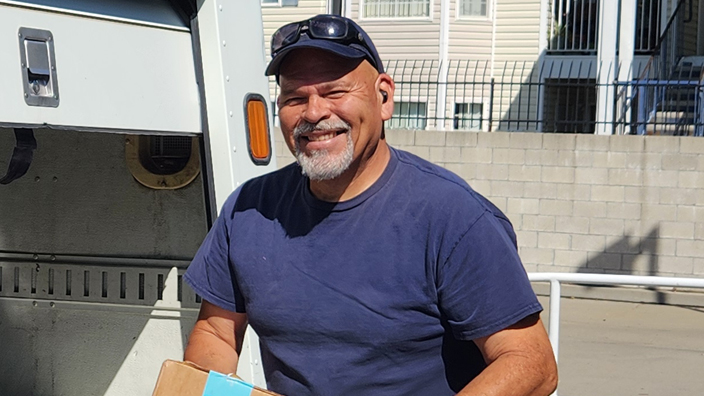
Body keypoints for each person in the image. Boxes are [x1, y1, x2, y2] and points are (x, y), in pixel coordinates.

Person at [183, 14, 557, 396]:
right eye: (295, 97)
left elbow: (530, 364)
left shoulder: (452, 216)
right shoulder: (249, 209)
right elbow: (217, 333)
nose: (313, 113)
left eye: (335, 92)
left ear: (384, 97)